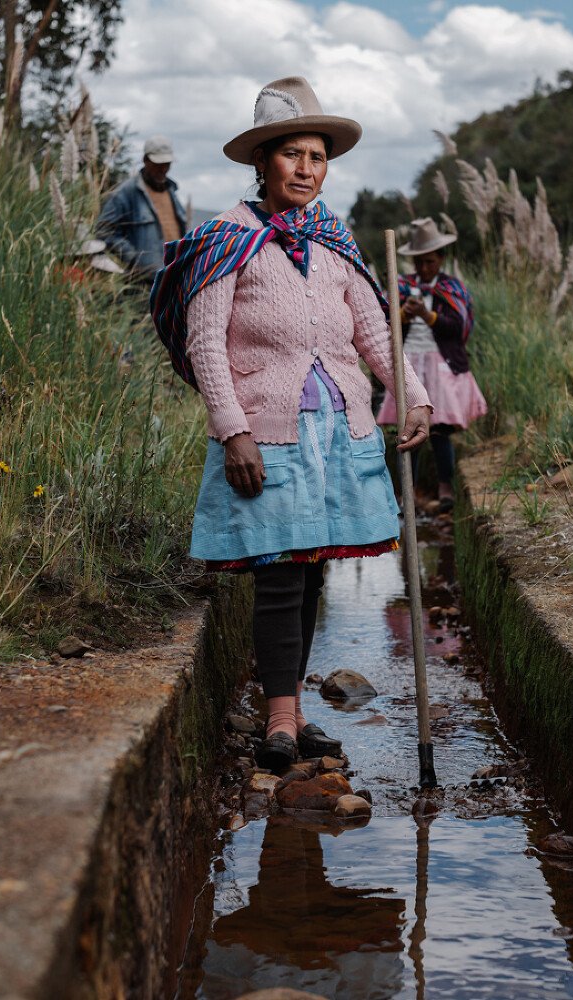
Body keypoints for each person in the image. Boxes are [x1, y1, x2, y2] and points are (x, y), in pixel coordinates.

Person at [150, 77, 433, 772]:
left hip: (339, 429)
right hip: (269, 432)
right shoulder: (227, 240)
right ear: (262, 163)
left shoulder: (335, 240)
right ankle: (279, 717)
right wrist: (231, 428)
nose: (307, 169)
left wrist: (414, 394)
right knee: (279, 573)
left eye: (317, 157)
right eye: (293, 156)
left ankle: (296, 711)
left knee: (311, 577)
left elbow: (372, 331)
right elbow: (204, 342)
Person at [376, 218, 487, 513]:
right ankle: (407, 496)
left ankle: (445, 489)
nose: (425, 268)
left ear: (441, 259)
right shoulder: (400, 287)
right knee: (407, 431)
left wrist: (427, 314)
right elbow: (383, 327)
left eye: (430, 261)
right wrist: (405, 315)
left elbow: (458, 327)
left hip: (441, 367)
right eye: (419, 262)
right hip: (409, 364)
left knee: (439, 431)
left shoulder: (452, 288)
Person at [97, 135, 187, 279]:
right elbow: (104, 231)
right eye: (159, 163)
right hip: (143, 284)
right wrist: (135, 260)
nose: (164, 168)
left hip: (175, 279)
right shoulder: (125, 193)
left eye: (168, 163)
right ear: (145, 160)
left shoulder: (172, 191)